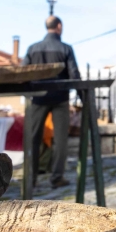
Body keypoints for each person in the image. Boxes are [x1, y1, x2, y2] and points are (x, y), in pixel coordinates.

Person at [24, 16, 80, 189]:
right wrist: (83, 97)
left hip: (38, 98)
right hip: (60, 98)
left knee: (33, 139)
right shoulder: (65, 49)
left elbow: (23, 72)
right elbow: (74, 75)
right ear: (59, 26)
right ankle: (56, 177)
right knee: (61, 140)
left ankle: (31, 178)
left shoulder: (33, 49)